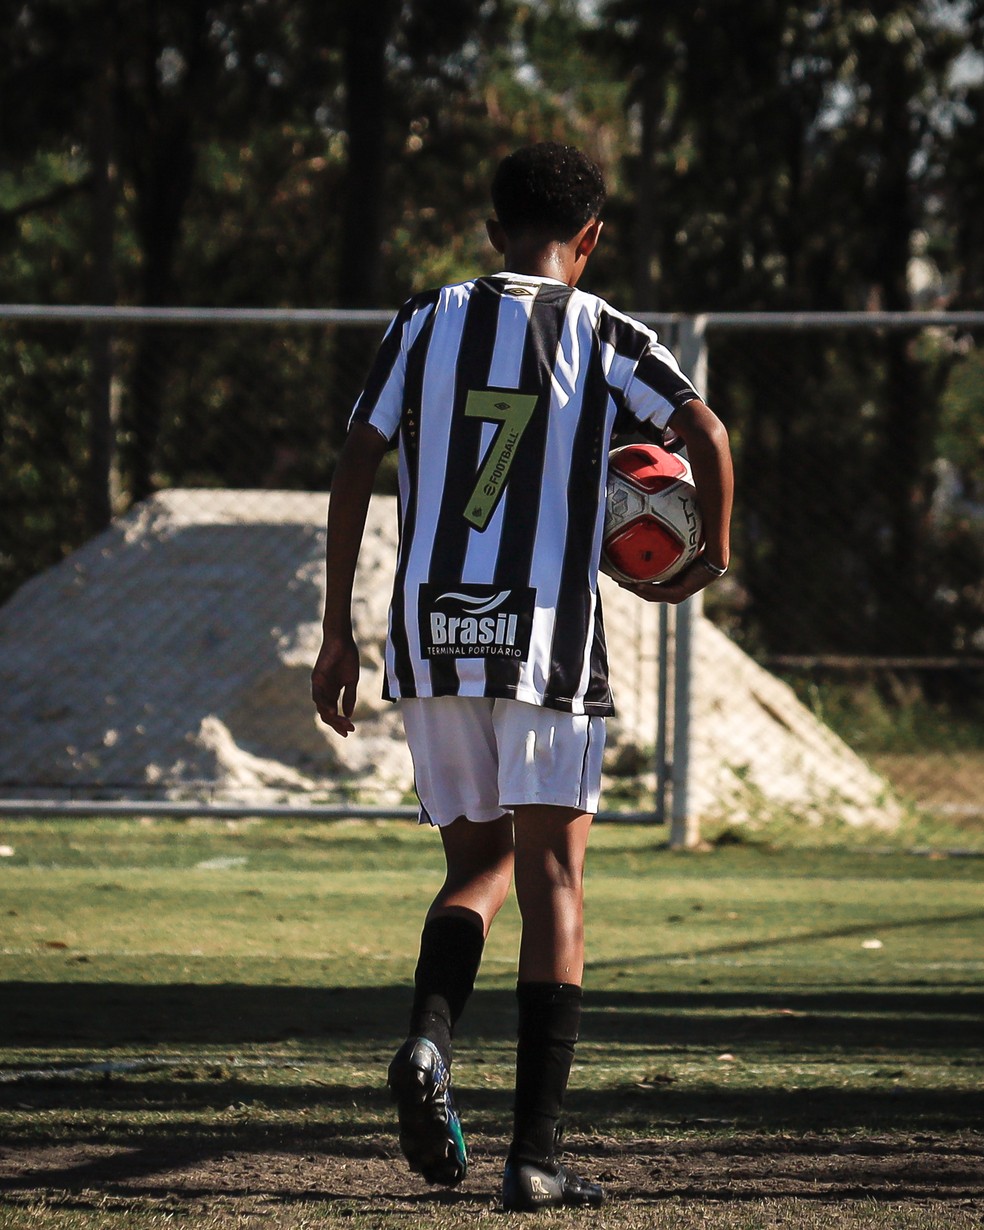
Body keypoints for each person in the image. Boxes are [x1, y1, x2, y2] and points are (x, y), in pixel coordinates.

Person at [311, 142, 734, 1212]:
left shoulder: (424, 319)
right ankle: (535, 1154)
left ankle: (427, 1042)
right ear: (587, 242)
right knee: (554, 882)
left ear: (492, 232)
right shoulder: (602, 333)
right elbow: (707, 436)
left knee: (476, 864)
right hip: (546, 638)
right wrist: (710, 558)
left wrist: (335, 633)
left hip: (436, 631)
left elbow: (357, 455)